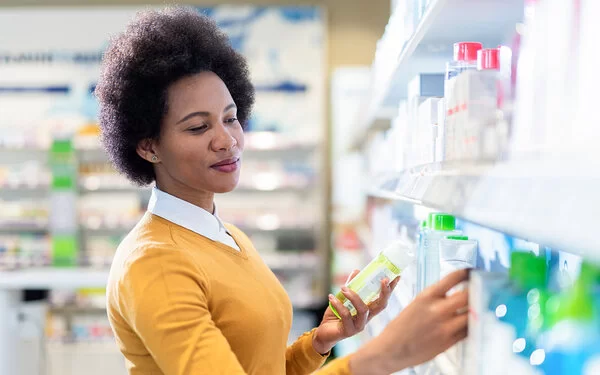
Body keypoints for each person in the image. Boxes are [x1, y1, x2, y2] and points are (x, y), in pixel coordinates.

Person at [97, 7, 469, 375]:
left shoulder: (225, 235)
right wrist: (385, 356)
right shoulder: (154, 263)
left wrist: (319, 342)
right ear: (148, 147)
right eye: (198, 127)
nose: (226, 141)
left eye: (230, 118)